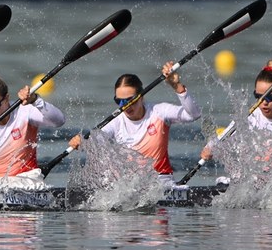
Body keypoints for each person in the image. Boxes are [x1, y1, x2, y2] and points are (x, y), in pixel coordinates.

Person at [69, 61, 202, 186]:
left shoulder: (159, 112)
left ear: (141, 96)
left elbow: (193, 114)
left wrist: (176, 85)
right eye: (119, 101)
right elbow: (97, 139)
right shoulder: (116, 121)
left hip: (161, 182)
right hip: (128, 186)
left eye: (129, 100)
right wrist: (83, 142)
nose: (125, 106)